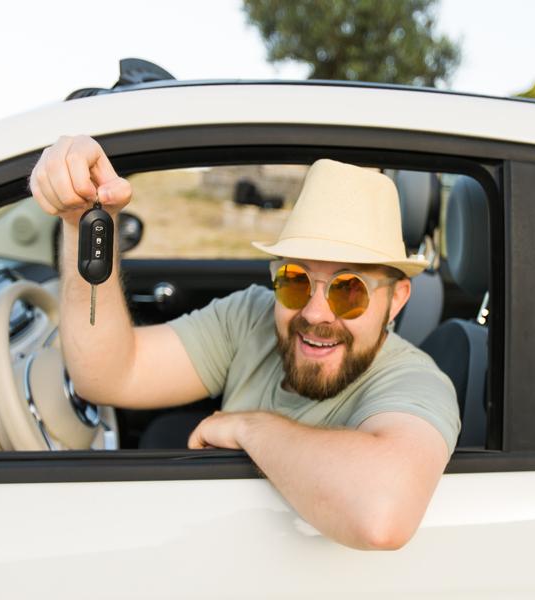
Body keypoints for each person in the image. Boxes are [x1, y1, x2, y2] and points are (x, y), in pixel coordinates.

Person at [29, 135, 460, 550]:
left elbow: (381, 515)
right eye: (295, 280)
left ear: (397, 298)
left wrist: (247, 426)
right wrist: (82, 221)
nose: (314, 314)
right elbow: (108, 375)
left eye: (350, 290)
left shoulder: (415, 382)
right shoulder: (252, 315)